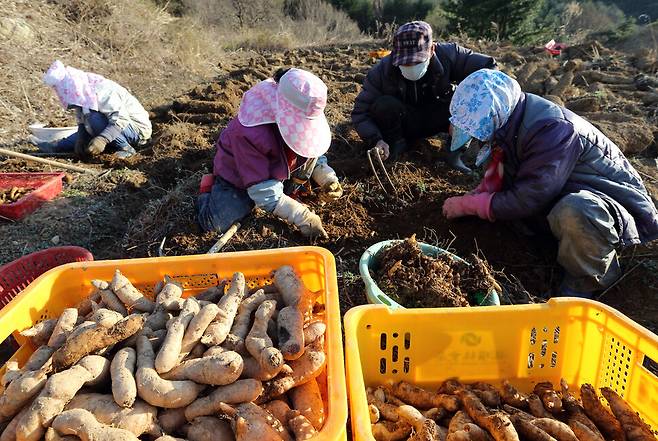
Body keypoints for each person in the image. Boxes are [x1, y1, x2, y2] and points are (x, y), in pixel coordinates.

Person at [442, 69, 658, 298]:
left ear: (493, 114)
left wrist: (470, 206)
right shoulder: (510, 120)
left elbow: (530, 196)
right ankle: (548, 248)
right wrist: (478, 195)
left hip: (607, 206)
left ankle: (587, 282)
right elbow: (503, 170)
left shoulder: (553, 128)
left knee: (575, 211)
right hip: (558, 191)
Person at [196, 68, 343, 239]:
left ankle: (285, 195)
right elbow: (263, 191)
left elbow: (310, 149)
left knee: (290, 188)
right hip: (241, 176)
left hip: (280, 166)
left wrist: (325, 176)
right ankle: (207, 192)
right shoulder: (249, 132)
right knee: (217, 223)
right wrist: (302, 217)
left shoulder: (303, 107)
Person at [351, 21, 496, 171]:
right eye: (405, 63)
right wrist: (376, 139)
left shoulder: (450, 55)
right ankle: (397, 146)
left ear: (432, 49)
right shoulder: (382, 70)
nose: (410, 67)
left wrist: (465, 108)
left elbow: (490, 71)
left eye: (416, 61)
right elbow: (361, 112)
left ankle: (455, 153)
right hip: (405, 120)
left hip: (442, 115)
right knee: (384, 105)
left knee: (468, 101)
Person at [36, 60, 152, 159]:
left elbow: (120, 119)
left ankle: (126, 149)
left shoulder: (103, 90)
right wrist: (81, 138)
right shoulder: (84, 94)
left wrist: (102, 139)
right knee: (86, 129)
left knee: (93, 118)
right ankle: (57, 146)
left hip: (136, 130)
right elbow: (82, 120)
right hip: (113, 128)